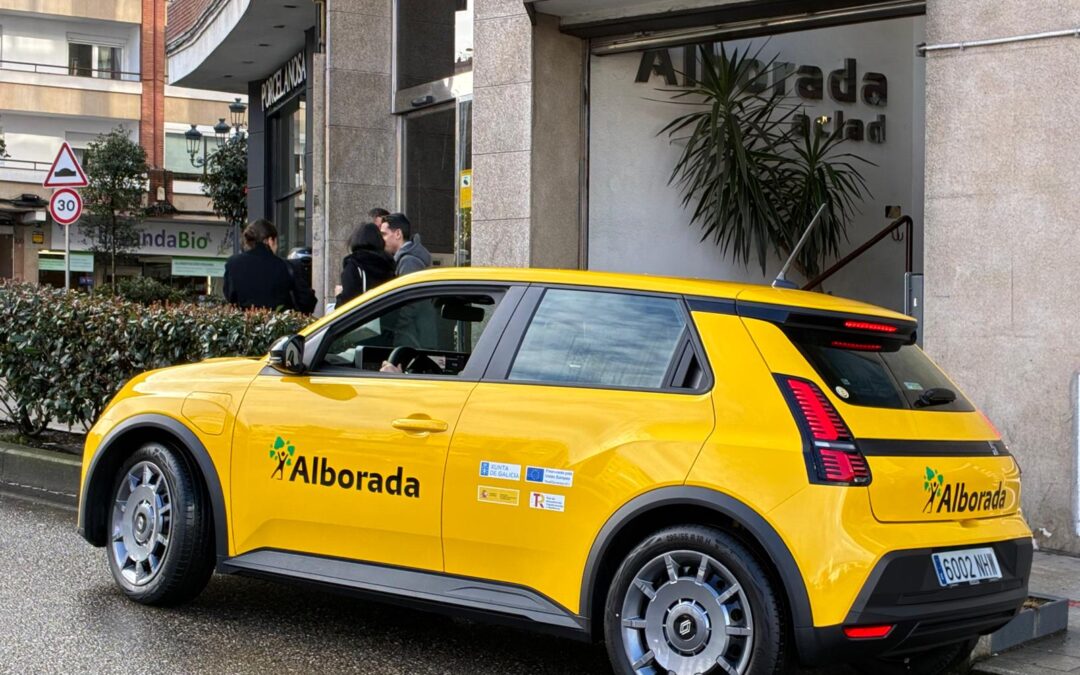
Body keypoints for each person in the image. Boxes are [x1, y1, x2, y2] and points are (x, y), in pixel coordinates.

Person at [223, 219, 316, 313]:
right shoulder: (287, 266)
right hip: (280, 320)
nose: (277, 246)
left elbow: (230, 296)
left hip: (246, 320)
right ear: (270, 240)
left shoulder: (233, 263)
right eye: (276, 242)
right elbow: (307, 302)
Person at [336, 222, 395, 306]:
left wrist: (338, 295)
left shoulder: (354, 265)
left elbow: (345, 305)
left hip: (366, 313)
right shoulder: (388, 264)